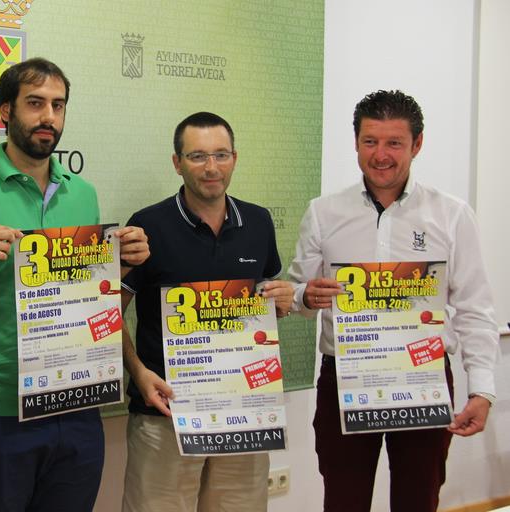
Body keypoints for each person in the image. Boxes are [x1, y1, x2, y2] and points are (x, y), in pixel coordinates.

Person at [0, 57, 149, 511]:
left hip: (76, 403)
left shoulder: (83, 194)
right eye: (35, 104)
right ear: (4, 111)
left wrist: (119, 265)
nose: (49, 118)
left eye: (58, 106)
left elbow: (80, 295)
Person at [288, 90, 499, 512]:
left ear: (417, 145)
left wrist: (483, 389)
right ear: (355, 142)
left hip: (423, 376)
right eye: (370, 142)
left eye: (394, 143)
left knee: (418, 500)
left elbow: (476, 308)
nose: (380, 155)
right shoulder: (323, 212)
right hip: (345, 378)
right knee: (343, 501)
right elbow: (297, 293)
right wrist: (304, 295)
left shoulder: (452, 215)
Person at [120, 112, 294, 512]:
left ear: (235, 158)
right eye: (197, 156)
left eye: (221, 155)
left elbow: (266, 301)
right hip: (164, 414)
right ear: (177, 163)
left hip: (244, 413)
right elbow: (109, 312)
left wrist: (281, 301)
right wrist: (139, 373)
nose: (211, 168)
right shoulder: (149, 225)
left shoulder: (259, 221)